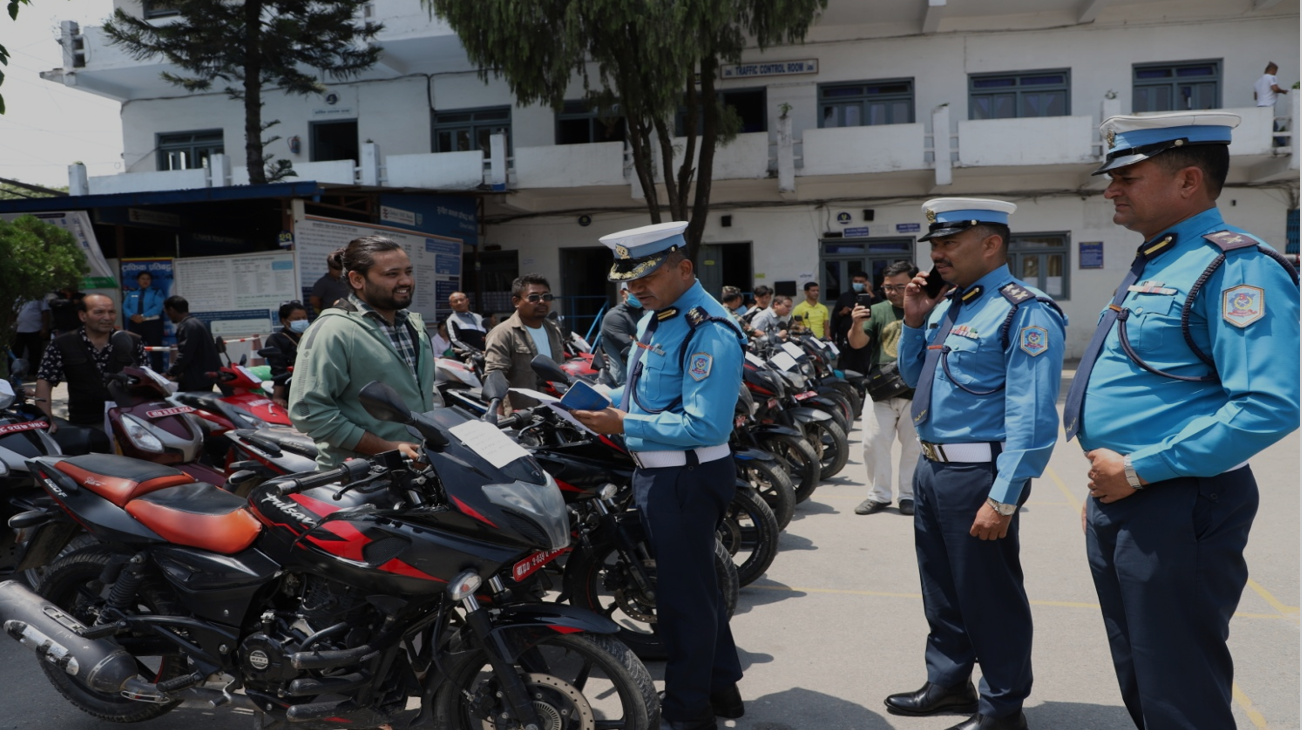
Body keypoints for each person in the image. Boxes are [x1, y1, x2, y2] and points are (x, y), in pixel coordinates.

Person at [1062, 111, 1300, 730]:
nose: (1111, 188)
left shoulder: (1235, 267)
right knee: (1144, 672)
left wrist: (1139, 471)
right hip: (1128, 496)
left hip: (1178, 498)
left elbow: (1269, 404)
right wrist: (1112, 489)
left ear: (1188, 180)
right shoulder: (1162, 259)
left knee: (1179, 685)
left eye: (1128, 176)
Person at [887, 198, 1065, 730]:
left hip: (979, 474)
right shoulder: (949, 305)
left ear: (991, 245)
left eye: (949, 244)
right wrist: (915, 323)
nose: (937, 254)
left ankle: (1003, 707)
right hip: (934, 466)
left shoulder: (1022, 310)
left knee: (989, 595)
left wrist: (1005, 495)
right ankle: (948, 682)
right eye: (934, 244)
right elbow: (914, 376)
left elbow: (1032, 417)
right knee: (941, 588)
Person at [571, 221, 746, 730]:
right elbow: (637, 391)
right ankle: (721, 688)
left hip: (686, 477)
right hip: (661, 475)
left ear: (684, 268)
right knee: (698, 590)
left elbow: (706, 423)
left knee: (681, 602)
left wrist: (623, 422)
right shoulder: (655, 318)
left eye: (646, 275)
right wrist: (588, 397)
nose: (634, 288)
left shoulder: (706, 328)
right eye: (628, 278)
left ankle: (689, 713)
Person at [290, 235, 436, 469]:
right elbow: (308, 411)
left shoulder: (413, 326)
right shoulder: (333, 330)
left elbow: (421, 396)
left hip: (418, 471)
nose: (406, 281)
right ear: (357, 279)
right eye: (392, 274)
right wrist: (387, 447)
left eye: (408, 272)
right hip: (361, 477)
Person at [847, 261, 920, 516]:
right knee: (873, 444)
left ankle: (908, 495)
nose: (893, 292)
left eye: (900, 286)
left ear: (914, 283)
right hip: (881, 390)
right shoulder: (877, 310)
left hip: (916, 392)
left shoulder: (928, 309)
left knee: (913, 448)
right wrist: (856, 323)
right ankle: (879, 495)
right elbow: (857, 344)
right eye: (888, 287)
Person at [35, 293, 145, 434]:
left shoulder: (133, 341)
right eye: (99, 312)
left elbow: (147, 378)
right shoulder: (62, 343)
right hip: (85, 424)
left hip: (130, 421)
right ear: (83, 316)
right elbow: (45, 380)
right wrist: (46, 419)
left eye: (111, 312)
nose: (107, 317)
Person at [483, 274, 565, 410]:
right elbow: (494, 377)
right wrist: (498, 417)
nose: (541, 301)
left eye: (546, 296)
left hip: (556, 412)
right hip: (522, 416)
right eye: (533, 297)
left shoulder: (553, 329)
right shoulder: (503, 333)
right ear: (516, 302)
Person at [163, 295, 222, 393]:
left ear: (171, 310)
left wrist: (170, 373)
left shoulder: (187, 326)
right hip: (205, 376)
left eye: (167, 312)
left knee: (182, 404)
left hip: (196, 378)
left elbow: (185, 354)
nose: (168, 316)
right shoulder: (198, 323)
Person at [597, 282, 643, 386]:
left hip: (638, 378)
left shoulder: (641, 314)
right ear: (623, 293)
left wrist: (637, 340)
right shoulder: (615, 317)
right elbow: (633, 348)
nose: (640, 294)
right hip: (622, 381)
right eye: (635, 290)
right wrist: (638, 342)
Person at [265, 300, 309, 408]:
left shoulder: (311, 335)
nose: (302, 321)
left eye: (304, 318)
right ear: (284, 320)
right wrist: (277, 397)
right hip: (293, 389)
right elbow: (278, 371)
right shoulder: (276, 339)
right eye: (297, 319)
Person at [123, 270, 166, 371]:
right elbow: (125, 307)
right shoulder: (132, 293)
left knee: (155, 351)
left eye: (148, 279)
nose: (145, 281)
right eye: (143, 279)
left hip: (152, 324)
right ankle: (136, 373)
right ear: (138, 280)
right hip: (134, 324)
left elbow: (158, 307)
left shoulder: (156, 292)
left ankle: (158, 374)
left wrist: (143, 316)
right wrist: (132, 316)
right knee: (134, 349)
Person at [832, 271, 873, 373]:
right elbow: (835, 317)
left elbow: (880, 307)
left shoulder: (872, 296)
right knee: (847, 367)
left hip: (868, 338)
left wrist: (870, 293)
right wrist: (842, 312)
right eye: (855, 281)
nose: (857, 283)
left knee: (866, 366)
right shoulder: (844, 296)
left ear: (866, 282)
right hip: (846, 339)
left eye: (861, 281)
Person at [1254, 62, 1290, 146]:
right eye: (1276, 71)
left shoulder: (1257, 82)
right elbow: (1275, 89)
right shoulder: (1271, 77)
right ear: (1273, 70)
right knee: (1273, 127)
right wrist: (1284, 91)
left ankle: (1268, 144)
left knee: (1265, 127)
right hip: (1268, 106)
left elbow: (1256, 97)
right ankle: (1282, 144)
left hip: (1259, 106)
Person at [309, 249, 351, 314]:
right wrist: (323, 311)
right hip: (331, 314)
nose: (339, 271)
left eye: (341, 268)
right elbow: (314, 300)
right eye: (336, 268)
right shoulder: (323, 282)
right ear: (329, 267)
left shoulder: (346, 280)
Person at [13, 297, 49, 370]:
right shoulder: (17, 297)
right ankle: (14, 373)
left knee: (34, 353)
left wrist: (44, 328)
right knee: (16, 352)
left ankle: (32, 373)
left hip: (35, 329)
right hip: (17, 330)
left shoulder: (39, 297)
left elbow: (45, 313)